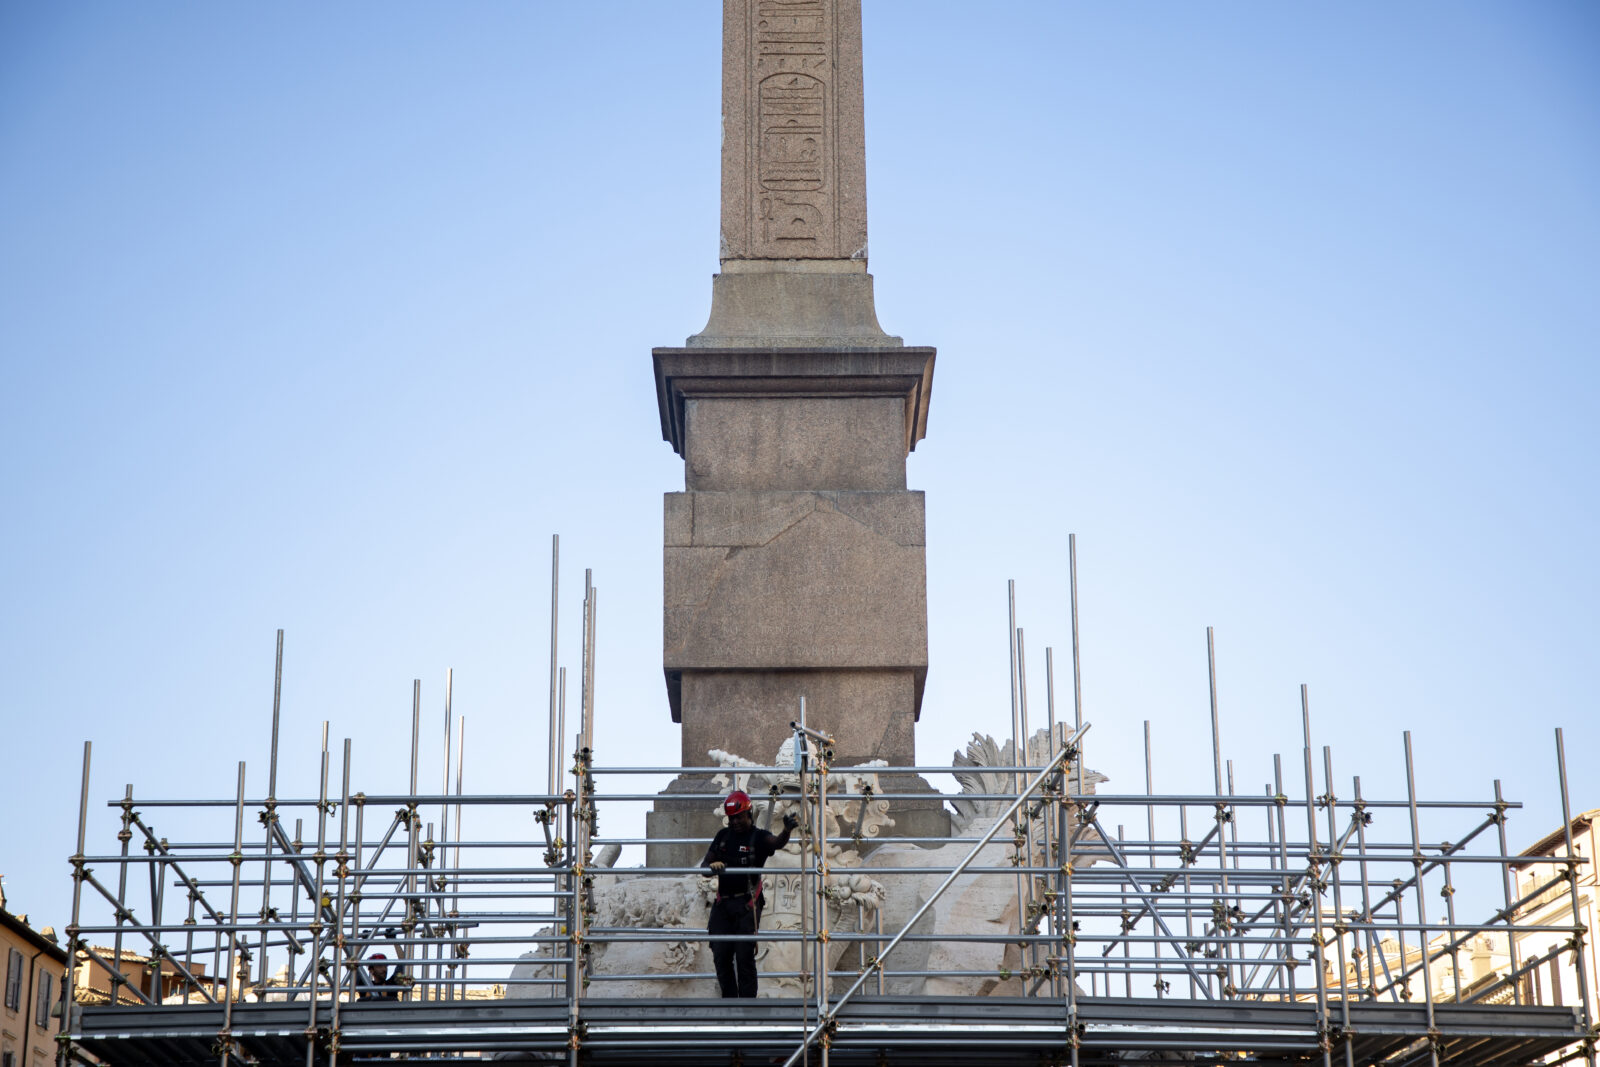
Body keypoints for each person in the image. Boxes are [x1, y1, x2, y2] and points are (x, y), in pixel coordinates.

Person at [701, 789, 799, 998]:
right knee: (721, 955)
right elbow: (704, 866)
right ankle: (729, 1003)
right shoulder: (723, 837)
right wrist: (712, 867)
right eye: (731, 819)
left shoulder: (759, 837)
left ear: (749, 814)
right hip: (723, 904)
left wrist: (786, 831)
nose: (735, 822)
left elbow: (776, 843)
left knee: (744, 956)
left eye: (738, 817)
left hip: (747, 904)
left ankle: (747, 1007)